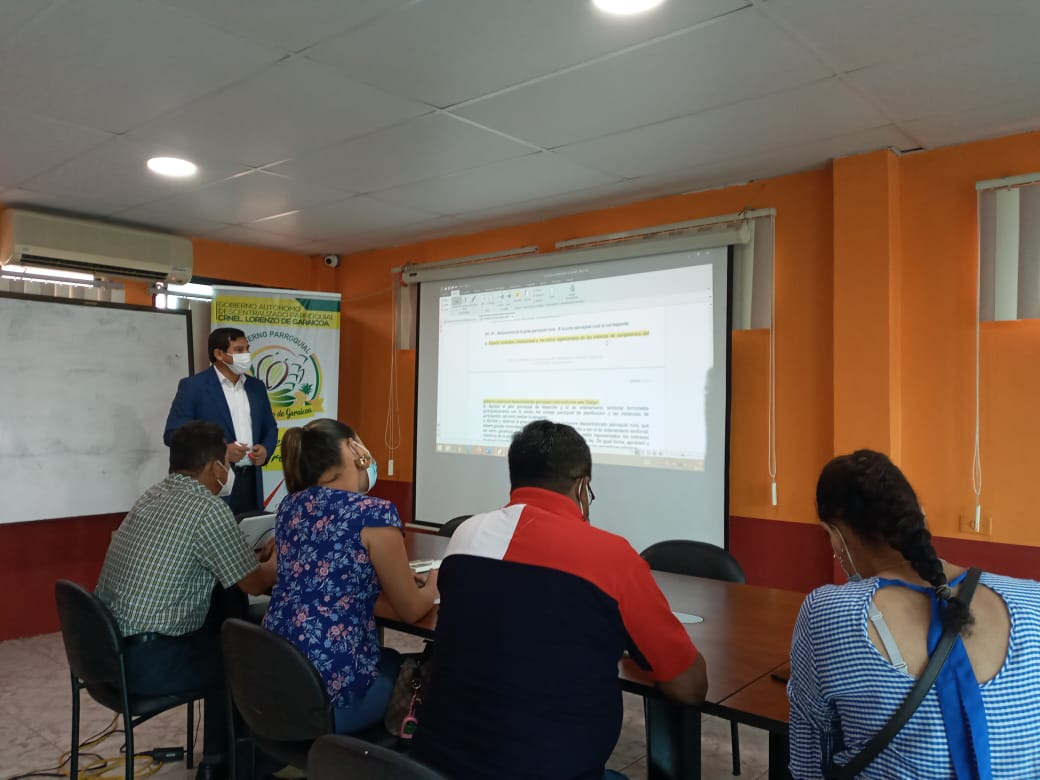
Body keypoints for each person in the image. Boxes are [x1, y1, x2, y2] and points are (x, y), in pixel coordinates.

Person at [412, 419, 708, 780]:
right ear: (582, 486)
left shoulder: (465, 536)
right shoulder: (614, 557)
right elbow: (689, 686)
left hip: (435, 768)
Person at [789, 449, 1040, 780]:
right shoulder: (1032, 598)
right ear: (918, 517)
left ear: (835, 536)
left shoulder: (825, 612)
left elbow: (809, 763)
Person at [96, 421, 277, 780]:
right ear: (214, 467)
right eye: (227, 462)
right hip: (150, 663)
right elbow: (255, 585)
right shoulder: (208, 509)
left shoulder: (152, 496)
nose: (228, 471)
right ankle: (239, 767)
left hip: (105, 655)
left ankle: (217, 759)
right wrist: (275, 562)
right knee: (246, 657)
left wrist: (246, 560)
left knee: (225, 638)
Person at [262, 418, 438, 735]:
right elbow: (412, 609)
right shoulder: (374, 513)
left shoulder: (290, 506)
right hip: (330, 694)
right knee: (422, 678)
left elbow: (329, 569)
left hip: (275, 677)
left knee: (388, 659)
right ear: (353, 448)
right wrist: (435, 582)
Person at [164, 327, 278, 514]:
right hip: (210, 481)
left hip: (251, 481)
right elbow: (173, 435)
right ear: (219, 354)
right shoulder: (194, 386)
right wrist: (221, 451)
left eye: (247, 349)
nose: (246, 355)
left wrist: (266, 449)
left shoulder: (256, 387)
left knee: (249, 529)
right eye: (239, 350)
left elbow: (270, 427)